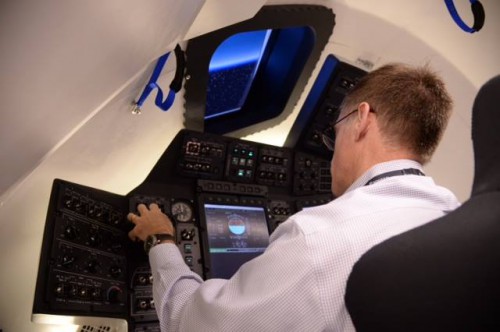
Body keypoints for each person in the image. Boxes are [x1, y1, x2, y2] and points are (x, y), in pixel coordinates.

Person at [127, 63, 460, 331]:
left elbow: (193, 324)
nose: (333, 153)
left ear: (361, 120)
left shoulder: (319, 238)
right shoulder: (456, 216)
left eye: (336, 132)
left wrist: (161, 240)